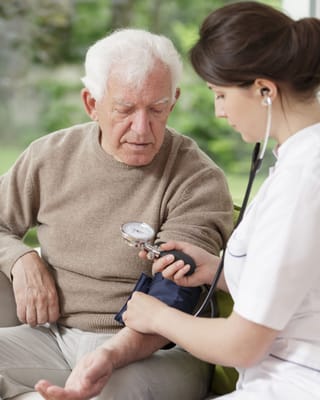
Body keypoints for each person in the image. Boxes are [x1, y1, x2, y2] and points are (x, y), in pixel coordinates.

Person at [0, 28, 234, 400]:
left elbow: (173, 295)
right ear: (91, 103)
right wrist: (20, 258)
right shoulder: (49, 156)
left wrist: (108, 356)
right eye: (125, 109)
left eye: (156, 109)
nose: (142, 129)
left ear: (172, 101)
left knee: (108, 390)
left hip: (157, 351)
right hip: (55, 336)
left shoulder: (198, 179)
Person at [123, 2, 320, 399]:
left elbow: (242, 345)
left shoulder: (304, 182)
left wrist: (156, 316)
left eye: (221, 94)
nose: (218, 111)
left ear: (265, 90)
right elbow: (300, 287)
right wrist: (217, 271)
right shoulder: (302, 162)